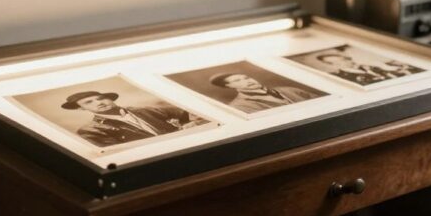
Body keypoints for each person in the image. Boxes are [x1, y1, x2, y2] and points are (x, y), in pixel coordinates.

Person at [61, 90, 206, 148]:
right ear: (81, 109)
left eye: (101, 98)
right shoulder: (90, 130)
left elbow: (189, 113)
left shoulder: (143, 110)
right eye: (88, 102)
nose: (99, 103)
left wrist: (192, 123)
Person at [209, 72, 321, 114]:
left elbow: (322, 102)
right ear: (229, 86)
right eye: (237, 81)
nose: (247, 81)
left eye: (247, 77)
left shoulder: (288, 89)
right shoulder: (239, 107)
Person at [315, 51, 403, 86]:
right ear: (333, 64)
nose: (347, 61)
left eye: (345, 59)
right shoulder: (338, 77)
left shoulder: (370, 66)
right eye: (339, 61)